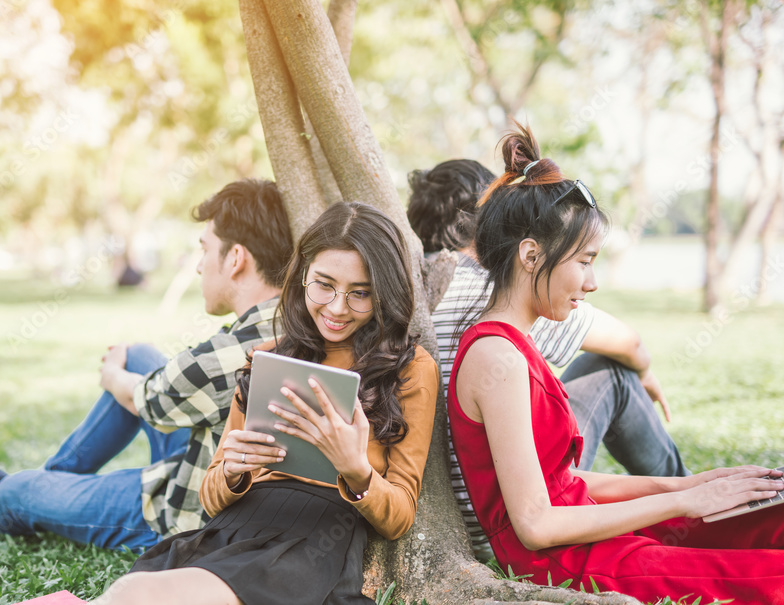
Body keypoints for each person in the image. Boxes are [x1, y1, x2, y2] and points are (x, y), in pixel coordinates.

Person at [447, 124, 784, 604]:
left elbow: (563, 481)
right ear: (530, 254)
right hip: (566, 561)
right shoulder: (495, 355)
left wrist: (686, 484)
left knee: (764, 516)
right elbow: (537, 524)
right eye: (584, 262)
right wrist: (684, 500)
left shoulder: (516, 344)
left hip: (585, 530)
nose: (591, 282)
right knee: (770, 577)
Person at [0, 178, 293, 551]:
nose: (201, 265)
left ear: (236, 258)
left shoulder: (236, 353)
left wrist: (114, 377)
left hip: (180, 516)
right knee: (140, 356)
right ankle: (51, 484)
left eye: (204, 249)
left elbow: (151, 402)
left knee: (17, 494)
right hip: (199, 464)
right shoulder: (290, 325)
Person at [89, 202, 440, 605]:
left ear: (384, 294)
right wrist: (235, 471)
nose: (338, 307)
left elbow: (399, 517)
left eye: (360, 293)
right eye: (324, 284)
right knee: (132, 589)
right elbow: (211, 495)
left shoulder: (409, 369)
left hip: (312, 541)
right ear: (302, 275)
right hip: (232, 528)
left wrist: (356, 470)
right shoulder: (269, 357)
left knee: (147, 596)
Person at [407, 158, 689, 561]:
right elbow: (628, 342)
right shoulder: (509, 288)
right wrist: (643, 371)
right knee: (610, 370)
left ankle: (685, 495)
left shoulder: (405, 294)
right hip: (514, 516)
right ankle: (688, 491)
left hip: (459, 509)